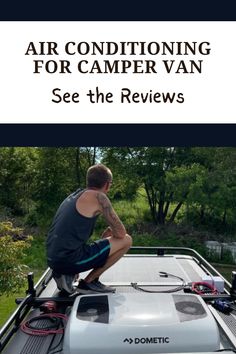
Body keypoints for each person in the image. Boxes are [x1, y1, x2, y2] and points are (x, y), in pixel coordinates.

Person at [46, 164, 132, 294]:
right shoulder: (99, 197)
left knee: (106, 240)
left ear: (89, 181)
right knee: (126, 240)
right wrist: (113, 232)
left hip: (54, 258)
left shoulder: (75, 195)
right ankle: (89, 283)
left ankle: (66, 273)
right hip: (68, 260)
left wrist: (108, 235)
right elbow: (121, 233)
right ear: (108, 184)